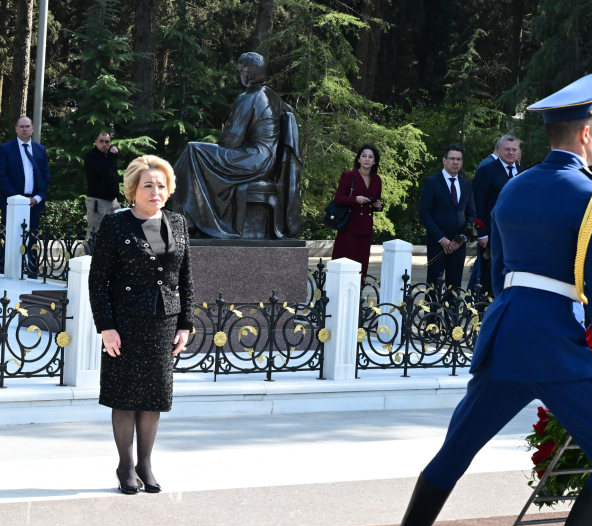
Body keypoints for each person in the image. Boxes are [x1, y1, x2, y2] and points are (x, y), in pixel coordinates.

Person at [383, 73, 592, 526]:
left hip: (505, 332)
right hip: (555, 341)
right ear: (587, 132)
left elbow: (497, 270)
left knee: (458, 447)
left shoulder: (514, 187)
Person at [88, 156, 195, 496]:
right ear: (133, 189)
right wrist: (107, 327)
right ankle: (125, 464)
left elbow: (185, 276)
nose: (155, 191)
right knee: (126, 397)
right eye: (148, 185)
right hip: (126, 323)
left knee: (153, 397)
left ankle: (145, 463)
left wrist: (185, 324)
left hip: (164, 323)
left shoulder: (177, 223)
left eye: (161, 185)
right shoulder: (115, 224)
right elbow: (98, 281)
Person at [172, 52, 302, 239]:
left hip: (253, 159)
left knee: (193, 150)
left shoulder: (249, 97)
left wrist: (216, 147)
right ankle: (193, 216)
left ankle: (190, 217)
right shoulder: (272, 95)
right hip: (266, 160)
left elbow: (232, 139)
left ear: (247, 73)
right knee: (197, 152)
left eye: (241, 71)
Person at [419, 144, 476, 293]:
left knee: (454, 287)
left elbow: (471, 214)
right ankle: (431, 317)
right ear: (444, 160)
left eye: (459, 159)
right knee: (433, 287)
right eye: (452, 159)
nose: (455, 162)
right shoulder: (432, 182)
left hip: (458, 246)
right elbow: (425, 213)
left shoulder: (466, 185)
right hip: (437, 244)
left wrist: (462, 238)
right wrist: (441, 238)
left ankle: (451, 317)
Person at [0, 116, 50, 274]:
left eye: (27, 126)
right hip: (13, 203)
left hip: (33, 203)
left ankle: (32, 272)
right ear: (16, 128)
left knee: (33, 238)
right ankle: (5, 271)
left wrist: (37, 198)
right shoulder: (5, 149)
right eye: (21, 126)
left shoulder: (40, 150)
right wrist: (18, 200)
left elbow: (46, 176)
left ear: (32, 128)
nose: (24, 129)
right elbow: (2, 176)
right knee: (10, 238)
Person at [473, 134, 521, 296]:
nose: (511, 153)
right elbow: (477, 204)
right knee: (489, 278)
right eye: (507, 149)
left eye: (514, 149)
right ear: (499, 149)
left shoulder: (525, 171)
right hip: (492, 236)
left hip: (517, 236)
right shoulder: (487, 171)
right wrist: (482, 233)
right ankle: (484, 314)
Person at [331, 144, 384, 278]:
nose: (367, 159)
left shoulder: (377, 180)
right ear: (359, 159)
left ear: (374, 161)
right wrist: (355, 199)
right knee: (346, 263)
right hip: (349, 227)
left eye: (370, 157)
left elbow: (376, 202)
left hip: (366, 229)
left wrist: (378, 206)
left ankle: (357, 294)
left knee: (361, 266)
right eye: (364, 156)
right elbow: (338, 199)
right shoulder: (349, 176)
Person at [84, 131, 121, 239]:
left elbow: (113, 176)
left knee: (115, 230)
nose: (104, 144)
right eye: (101, 141)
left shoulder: (108, 157)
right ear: (96, 142)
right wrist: (112, 155)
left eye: (107, 142)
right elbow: (104, 171)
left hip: (112, 201)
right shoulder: (91, 156)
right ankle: (89, 255)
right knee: (96, 231)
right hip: (98, 201)